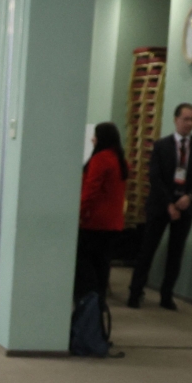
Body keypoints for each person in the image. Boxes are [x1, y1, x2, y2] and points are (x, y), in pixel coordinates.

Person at [128, 103, 192, 309]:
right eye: (185, 119)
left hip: (185, 206)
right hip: (161, 205)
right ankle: (135, 292)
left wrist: (189, 197)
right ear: (176, 119)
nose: (189, 123)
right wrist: (169, 204)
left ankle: (167, 295)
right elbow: (155, 177)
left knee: (176, 252)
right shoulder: (162, 145)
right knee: (148, 249)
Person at [76, 122, 128, 304]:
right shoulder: (119, 160)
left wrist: (78, 214)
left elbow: (91, 191)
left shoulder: (101, 159)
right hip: (113, 223)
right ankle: (98, 303)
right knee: (102, 265)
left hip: (95, 222)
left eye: (95, 135)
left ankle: (88, 301)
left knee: (86, 265)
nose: (93, 139)